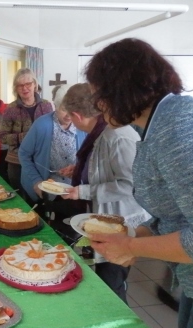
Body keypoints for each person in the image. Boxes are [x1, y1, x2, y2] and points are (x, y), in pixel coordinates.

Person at [83, 38, 193, 328]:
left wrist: (131, 246)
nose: (98, 105)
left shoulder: (178, 128)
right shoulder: (155, 124)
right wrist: (137, 233)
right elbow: (177, 214)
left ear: (121, 87)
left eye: (99, 93)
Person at [61, 83, 151, 303]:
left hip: (120, 223)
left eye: (70, 119)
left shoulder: (117, 135)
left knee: (112, 284)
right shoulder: (101, 132)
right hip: (101, 220)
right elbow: (106, 170)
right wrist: (81, 171)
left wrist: (82, 190)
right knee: (95, 273)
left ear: (76, 115)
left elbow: (130, 185)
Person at [18, 84, 86, 207]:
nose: (68, 115)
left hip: (72, 189)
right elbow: (23, 153)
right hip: (45, 187)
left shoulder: (81, 127)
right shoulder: (42, 125)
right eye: (64, 109)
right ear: (55, 106)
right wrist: (36, 181)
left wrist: (77, 169)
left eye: (72, 111)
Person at [0, 68, 53, 194]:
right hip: (16, 162)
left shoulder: (46, 105)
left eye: (28, 84)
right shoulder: (10, 109)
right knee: (21, 199)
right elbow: (2, 136)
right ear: (16, 88)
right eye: (20, 85)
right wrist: (26, 137)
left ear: (35, 84)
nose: (24, 88)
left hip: (42, 161)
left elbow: (53, 130)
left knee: (41, 198)